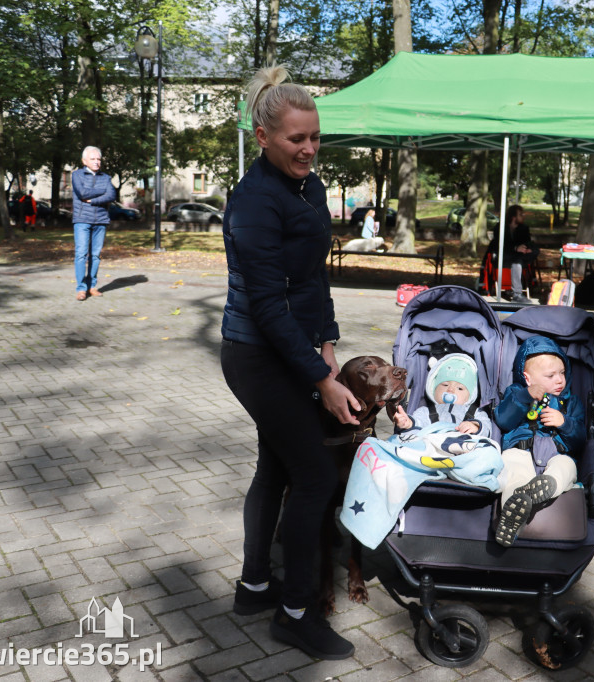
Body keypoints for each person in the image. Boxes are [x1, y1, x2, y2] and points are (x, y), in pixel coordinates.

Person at [220, 65, 361, 661]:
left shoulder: (311, 187)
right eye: (295, 139)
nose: (308, 149)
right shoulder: (253, 202)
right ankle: (295, 613)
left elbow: (311, 276)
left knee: (277, 471)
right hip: (257, 355)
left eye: (314, 137)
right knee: (315, 476)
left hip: (299, 349)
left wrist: (327, 339)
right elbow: (269, 307)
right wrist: (321, 378)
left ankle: (255, 588)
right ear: (263, 138)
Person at [492, 336, 585, 547]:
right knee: (514, 470)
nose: (560, 380)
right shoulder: (516, 393)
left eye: (562, 373)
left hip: (557, 453)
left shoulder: (571, 402)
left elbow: (580, 440)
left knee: (566, 467)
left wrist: (565, 423)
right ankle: (513, 513)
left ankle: (543, 487)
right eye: (551, 375)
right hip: (522, 449)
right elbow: (504, 419)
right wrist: (525, 396)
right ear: (527, 378)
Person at [392, 353, 492, 437]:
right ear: (433, 389)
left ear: (470, 396)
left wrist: (476, 427)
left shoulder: (476, 413)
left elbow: (487, 429)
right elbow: (417, 424)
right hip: (432, 451)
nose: (450, 390)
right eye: (445, 385)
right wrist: (408, 424)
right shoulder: (425, 412)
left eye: (460, 388)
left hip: (464, 449)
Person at [71, 146, 115, 301]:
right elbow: (82, 193)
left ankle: (92, 286)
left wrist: (94, 199)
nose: (97, 162)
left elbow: (112, 194)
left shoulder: (106, 177)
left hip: (101, 220)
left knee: (95, 255)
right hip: (82, 219)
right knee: (81, 254)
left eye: (99, 159)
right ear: (84, 161)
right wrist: (102, 190)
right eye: (93, 159)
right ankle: (81, 288)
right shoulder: (76, 175)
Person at [488, 204, 536, 303]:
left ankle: (517, 294)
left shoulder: (524, 228)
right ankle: (517, 294)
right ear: (514, 217)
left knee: (522, 258)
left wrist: (527, 248)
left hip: (517, 257)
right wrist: (515, 248)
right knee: (517, 261)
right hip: (502, 256)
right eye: (521, 214)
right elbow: (499, 244)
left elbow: (527, 241)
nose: (523, 216)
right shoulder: (500, 227)